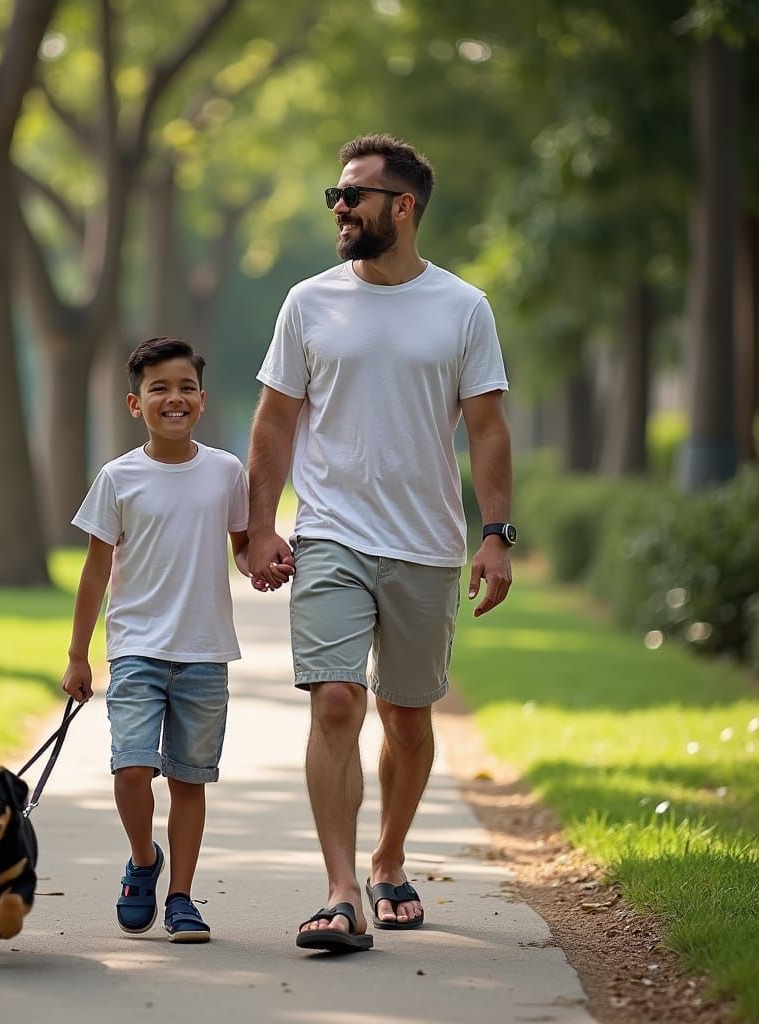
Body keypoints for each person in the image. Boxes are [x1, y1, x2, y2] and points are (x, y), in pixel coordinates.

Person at [247, 133, 515, 953]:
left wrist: (496, 534)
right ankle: (338, 893)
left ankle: (389, 858)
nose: (339, 206)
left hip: (426, 543)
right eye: (336, 193)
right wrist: (259, 525)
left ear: (402, 206)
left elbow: (488, 431)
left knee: (406, 716)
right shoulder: (308, 302)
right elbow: (274, 422)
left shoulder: (463, 308)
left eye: (353, 194)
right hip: (329, 532)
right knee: (335, 699)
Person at [61, 336, 280, 943]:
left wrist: (259, 564)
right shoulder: (118, 478)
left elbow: (239, 546)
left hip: (205, 652)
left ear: (202, 401)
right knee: (131, 770)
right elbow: (96, 570)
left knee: (189, 780)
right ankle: (144, 861)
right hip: (136, 651)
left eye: (185, 387)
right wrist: (78, 655)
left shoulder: (226, 472)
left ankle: (181, 895)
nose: (173, 398)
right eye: (159, 388)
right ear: (137, 404)